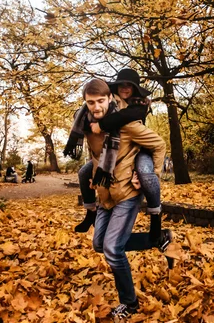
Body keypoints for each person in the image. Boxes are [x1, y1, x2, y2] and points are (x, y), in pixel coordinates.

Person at [67, 78, 171, 321]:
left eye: (100, 101)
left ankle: (130, 303)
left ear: (109, 98)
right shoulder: (83, 123)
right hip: (105, 195)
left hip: (126, 193)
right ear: (85, 102)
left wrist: (149, 177)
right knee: (99, 244)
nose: (96, 106)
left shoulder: (125, 122)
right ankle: (159, 239)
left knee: (113, 249)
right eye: (90, 102)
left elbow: (159, 144)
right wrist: (94, 178)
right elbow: (95, 158)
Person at [65, 68, 165, 249]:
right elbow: (91, 126)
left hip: (141, 150)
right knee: (84, 172)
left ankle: (156, 217)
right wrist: (95, 176)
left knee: (144, 173)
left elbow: (126, 118)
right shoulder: (103, 106)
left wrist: (102, 124)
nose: (125, 89)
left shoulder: (138, 105)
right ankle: (90, 212)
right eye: (122, 85)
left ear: (135, 89)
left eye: (130, 86)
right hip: (115, 153)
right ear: (115, 88)